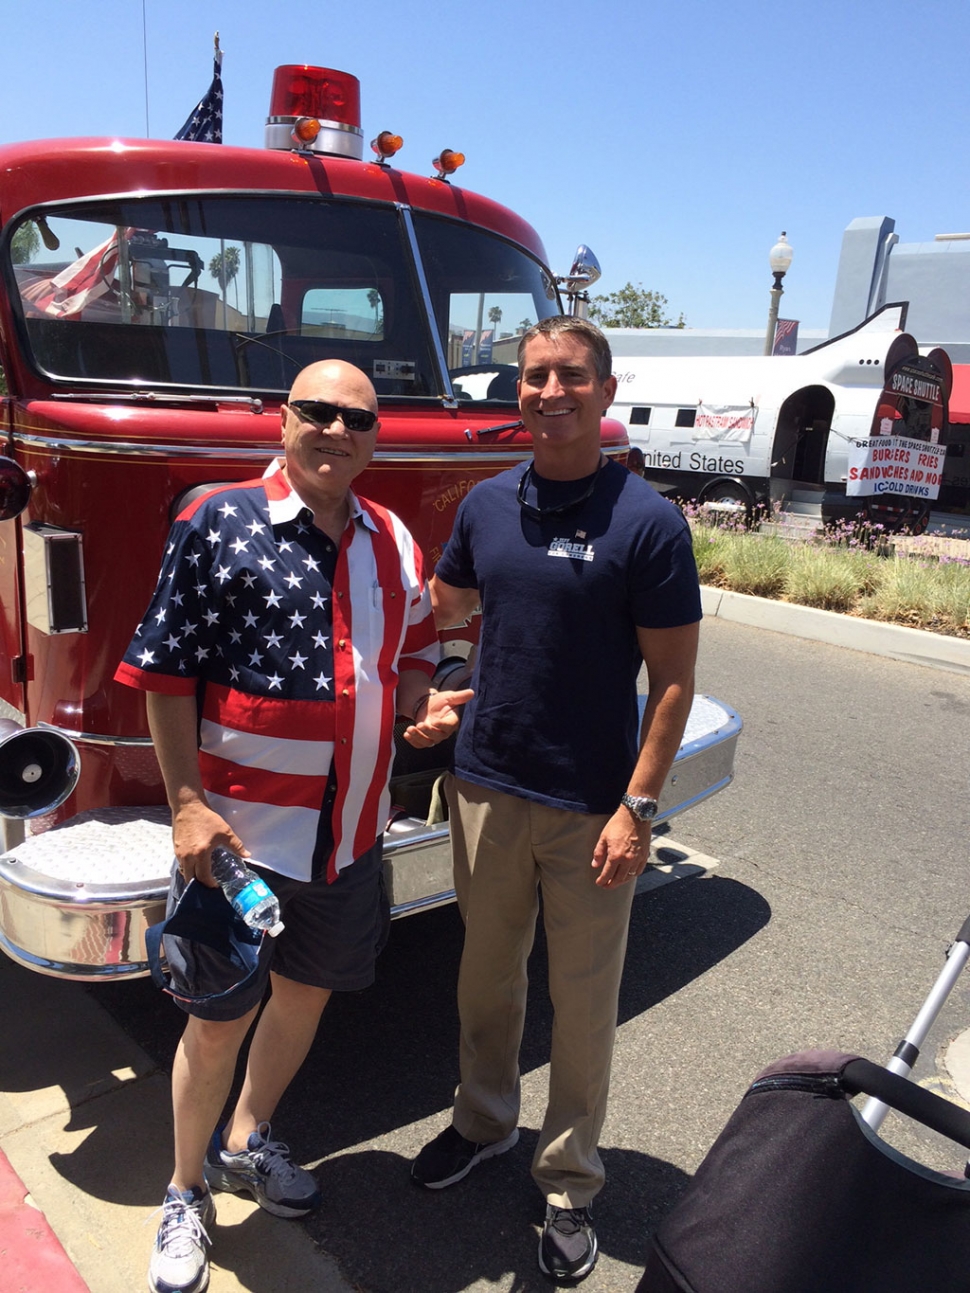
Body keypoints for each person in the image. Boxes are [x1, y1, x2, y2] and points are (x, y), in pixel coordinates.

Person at [115, 359, 470, 1293]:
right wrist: (185, 803)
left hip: (350, 838)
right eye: (318, 411)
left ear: (374, 436)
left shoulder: (390, 538)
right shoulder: (217, 518)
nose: (336, 430)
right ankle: (186, 1189)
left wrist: (420, 707)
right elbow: (164, 671)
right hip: (236, 846)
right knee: (216, 1022)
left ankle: (247, 1139)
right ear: (284, 420)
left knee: (307, 998)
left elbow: (416, 649)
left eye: (357, 418)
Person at [410, 316, 701, 1282]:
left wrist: (640, 807)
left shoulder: (648, 521)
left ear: (605, 392)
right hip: (487, 785)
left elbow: (670, 684)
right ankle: (485, 1121)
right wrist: (455, 679)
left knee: (582, 1001)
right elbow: (449, 606)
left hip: (591, 804)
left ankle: (570, 1177)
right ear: (518, 391)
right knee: (484, 977)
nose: (549, 391)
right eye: (534, 376)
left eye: (571, 376)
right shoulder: (490, 506)